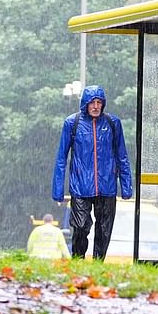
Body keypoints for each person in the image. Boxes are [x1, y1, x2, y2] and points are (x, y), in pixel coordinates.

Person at [51, 85, 132, 260]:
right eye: (92, 102)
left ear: (103, 104)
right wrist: (58, 189)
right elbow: (61, 158)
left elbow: (122, 156)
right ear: (85, 104)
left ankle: (97, 265)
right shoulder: (72, 123)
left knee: (104, 230)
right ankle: (78, 260)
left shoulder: (113, 123)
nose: (96, 106)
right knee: (80, 227)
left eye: (99, 102)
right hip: (80, 186)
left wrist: (126, 186)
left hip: (107, 186)